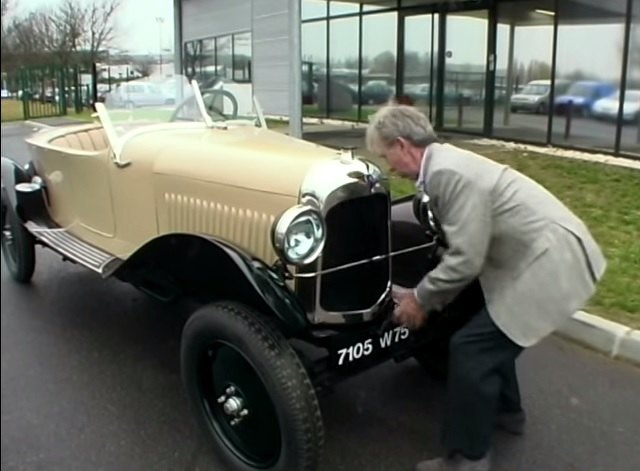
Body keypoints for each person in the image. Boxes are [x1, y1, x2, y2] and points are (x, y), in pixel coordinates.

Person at [365, 105, 607, 471]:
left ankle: (467, 459)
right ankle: (507, 412)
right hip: (540, 254)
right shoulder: (445, 162)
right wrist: (427, 292)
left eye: (386, 156)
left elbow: (466, 259)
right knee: (483, 326)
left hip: (551, 261)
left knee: (472, 348)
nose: (390, 168)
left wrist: (420, 299)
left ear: (403, 145)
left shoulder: (447, 173)